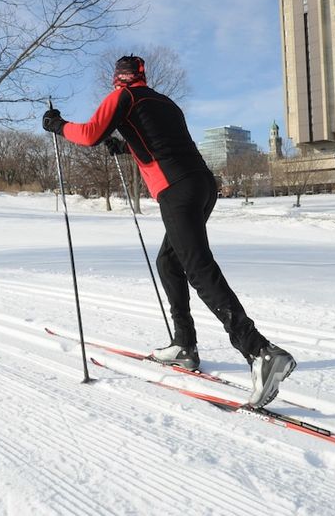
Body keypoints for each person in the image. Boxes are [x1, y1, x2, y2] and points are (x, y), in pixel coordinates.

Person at [42, 55, 296, 407]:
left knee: (198, 269)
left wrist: (57, 125)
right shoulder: (165, 102)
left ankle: (259, 351)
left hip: (176, 190)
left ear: (119, 78)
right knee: (169, 262)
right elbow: (161, 143)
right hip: (202, 185)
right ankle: (184, 344)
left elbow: (88, 135)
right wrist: (125, 146)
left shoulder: (123, 97)